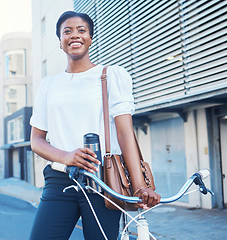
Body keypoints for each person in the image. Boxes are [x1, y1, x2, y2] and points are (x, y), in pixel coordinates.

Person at [29, 11, 161, 240]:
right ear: (60, 41)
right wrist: (66, 156)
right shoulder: (48, 85)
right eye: (67, 31)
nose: (74, 35)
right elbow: (36, 141)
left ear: (90, 37)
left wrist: (139, 186)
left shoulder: (111, 75)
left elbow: (124, 133)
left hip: (103, 180)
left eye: (81, 30)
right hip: (60, 179)